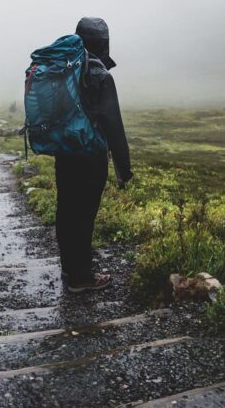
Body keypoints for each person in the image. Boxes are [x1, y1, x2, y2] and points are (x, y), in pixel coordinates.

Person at [55, 17, 133, 292]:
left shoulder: (63, 69)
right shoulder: (100, 75)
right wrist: (124, 169)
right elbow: (114, 125)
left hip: (64, 153)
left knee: (65, 209)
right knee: (84, 215)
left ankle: (69, 269)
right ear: (103, 43)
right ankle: (82, 278)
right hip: (91, 158)